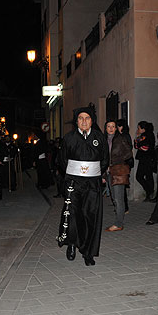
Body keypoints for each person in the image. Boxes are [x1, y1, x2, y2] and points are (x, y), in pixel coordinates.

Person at [57, 106, 109, 266]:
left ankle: (88, 252)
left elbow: (105, 159)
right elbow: (62, 161)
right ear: (76, 121)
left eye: (87, 118)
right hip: (74, 183)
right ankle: (72, 244)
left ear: (92, 120)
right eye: (81, 118)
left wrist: (97, 175)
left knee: (90, 216)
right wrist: (71, 176)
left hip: (93, 184)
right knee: (73, 214)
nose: (84, 121)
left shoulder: (99, 138)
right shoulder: (69, 138)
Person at [104, 120, 133, 232]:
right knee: (114, 198)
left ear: (116, 128)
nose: (111, 128)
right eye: (108, 126)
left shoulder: (120, 139)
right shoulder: (103, 140)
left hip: (118, 171)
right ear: (105, 128)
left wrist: (116, 160)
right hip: (108, 172)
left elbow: (129, 153)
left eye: (113, 126)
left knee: (118, 198)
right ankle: (118, 220)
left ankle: (118, 223)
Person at [134, 121, 155, 201]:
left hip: (147, 159)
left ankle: (150, 193)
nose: (137, 130)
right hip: (143, 158)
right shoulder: (143, 135)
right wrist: (138, 143)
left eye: (138, 128)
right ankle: (149, 193)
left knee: (147, 176)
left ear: (143, 129)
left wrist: (138, 143)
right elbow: (136, 145)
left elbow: (143, 146)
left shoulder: (148, 135)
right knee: (141, 176)